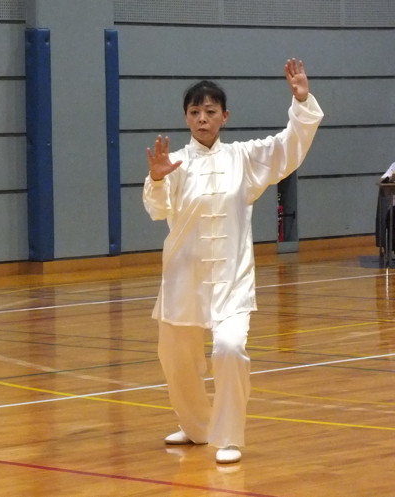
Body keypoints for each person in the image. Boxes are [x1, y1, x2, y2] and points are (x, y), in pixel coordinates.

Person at [143, 59, 323, 464]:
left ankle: (227, 437)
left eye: (210, 112)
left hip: (231, 279)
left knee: (229, 349)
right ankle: (195, 428)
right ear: (185, 117)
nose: (202, 119)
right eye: (194, 112)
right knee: (176, 359)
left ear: (225, 116)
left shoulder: (244, 158)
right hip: (182, 280)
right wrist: (156, 178)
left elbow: (289, 146)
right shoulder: (173, 163)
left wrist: (302, 100)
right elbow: (156, 210)